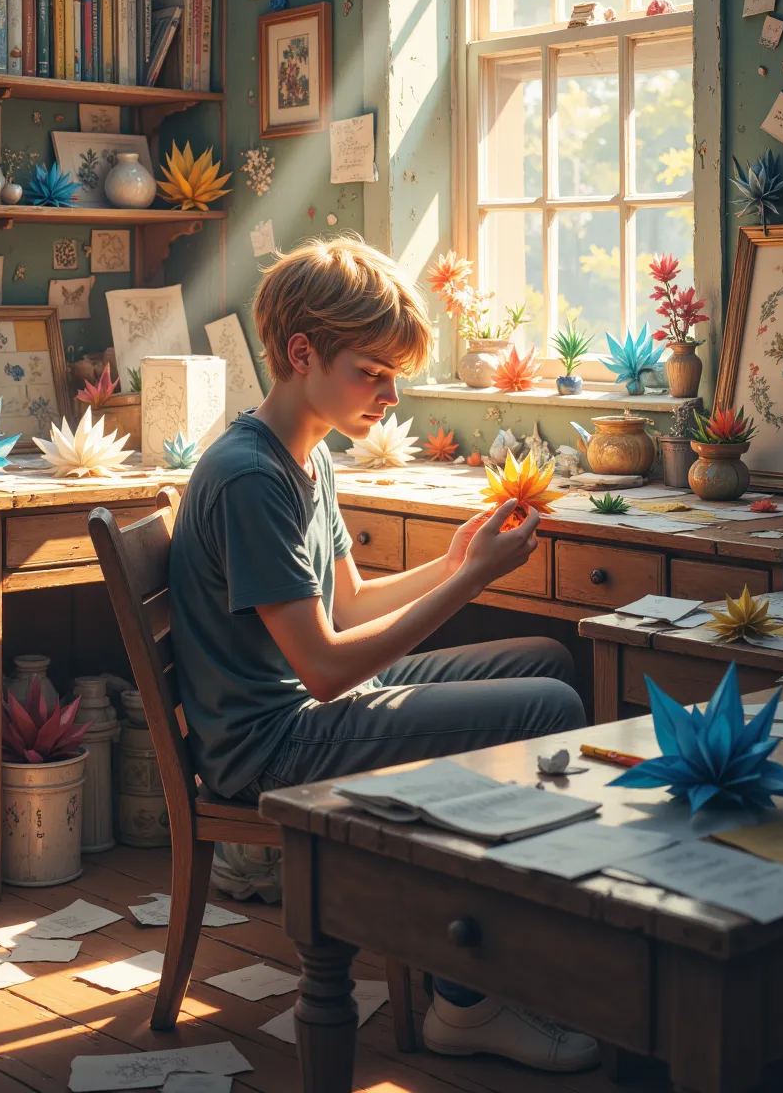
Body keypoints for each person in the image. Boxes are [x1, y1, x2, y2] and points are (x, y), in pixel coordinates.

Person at [169, 235, 596, 1073]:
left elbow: (351, 603)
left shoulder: (306, 451)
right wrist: (469, 584)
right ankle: (470, 1000)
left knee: (544, 660)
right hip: (271, 739)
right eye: (374, 370)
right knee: (552, 711)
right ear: (303, 353)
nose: (391, 394)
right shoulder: (253, 478)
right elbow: (326, 668)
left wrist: (450, 562)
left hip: (302, 706)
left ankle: (482, 970)